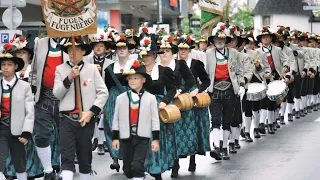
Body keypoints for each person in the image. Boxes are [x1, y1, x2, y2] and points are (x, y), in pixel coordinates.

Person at [53, 36, 108, 180]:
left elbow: (103, 93)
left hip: (86, 119)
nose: (72, 53)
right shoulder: (60, 69)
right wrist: (69, 77)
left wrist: (91, 112)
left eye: (76, 50)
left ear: (83, 52)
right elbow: (57, 93)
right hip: (66, 119)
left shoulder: (92, 69)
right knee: (67, 156)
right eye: (69, 50)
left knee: (85, 156)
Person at [29, 34, 68, 179]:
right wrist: (32, 92)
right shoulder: (41, 43)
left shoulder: (73, 43)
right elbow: (34, 70)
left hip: (66, 97)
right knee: (41, 134)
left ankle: (65, 169)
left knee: (66, 135)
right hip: (43, 96)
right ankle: (48, 171)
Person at [112, 62, 160, 180]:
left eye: (136, 78)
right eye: (130, 78)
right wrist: (115, 138)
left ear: (143, 80)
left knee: (137, 165)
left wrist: (156, 139)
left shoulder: (150, 98)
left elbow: (155, 119)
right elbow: (116, 119)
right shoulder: (121, 98)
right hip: (126, 137)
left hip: (142, 138)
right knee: (128, 169)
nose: (132, 81)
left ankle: (139, 176)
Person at [158, 35, 197, 178]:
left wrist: (181, 91)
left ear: (173, 53)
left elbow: (191, 80)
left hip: (180, 101)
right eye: (161, 51)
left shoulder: (180, 65)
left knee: (183, 132)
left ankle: (191, 158)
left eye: (167, 51)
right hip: (164, 100)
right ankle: (173, 163)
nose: (164, 54)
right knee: (169, 133)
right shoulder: (157, 68)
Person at [5, 36, 43, 180]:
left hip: (30, 108)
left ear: (29, 55)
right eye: (18, 54)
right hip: (12, 111)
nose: (20, 56)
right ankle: (11, 170)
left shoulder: (34, 71)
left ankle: (31, 170)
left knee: (29, 140)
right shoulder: (10, 72)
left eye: (23, 53)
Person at [206, 22, 245, 160]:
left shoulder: (234, 53)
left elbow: (240, 71)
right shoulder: (208, 53)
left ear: (226, 40)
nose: (220, 41)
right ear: (214, 41)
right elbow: (205, 72)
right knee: (215, 120)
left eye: (222, 39)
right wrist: (204, 86)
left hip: (230, 89)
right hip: (214, 89)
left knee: (227, 121)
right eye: (217, 39)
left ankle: (225, 147)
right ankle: (216, 146)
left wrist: (241, 85)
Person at [140, 34, 176, 180]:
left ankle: (157, 169)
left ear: (155, 56)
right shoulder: (138, 71)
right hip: (142, 106)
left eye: (149, 55)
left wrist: (165, 101)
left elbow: (172, 89)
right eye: (144, 55)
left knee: (158, 138)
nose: (146, 58)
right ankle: (146, 167)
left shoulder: (164, 70)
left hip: (159, 107)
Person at [0, 43, 34, 180]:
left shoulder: (24, 86)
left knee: (20, 164)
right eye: (3, 65)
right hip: (1, 129)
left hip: (18, 131)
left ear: (15, 67)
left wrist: (26, 132)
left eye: (9, 64)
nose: (6, 68)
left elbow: (30, 112)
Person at [177, 35, 211, 171]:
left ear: (189, 50)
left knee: (194, 128)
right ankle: (175, 164)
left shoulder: (196, 63)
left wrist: (198, 89)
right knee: (177, 128)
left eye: (185, 49)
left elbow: (206, 81)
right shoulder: (174, 64)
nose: (183, 51)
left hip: (193, 96)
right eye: (180, 49)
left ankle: (192, 159)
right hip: (179, 96)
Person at [103, 35, 136, 172]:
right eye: (119, 48)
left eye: (124, 48)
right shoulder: (109, 68)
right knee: (112, 127)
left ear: (129, 50)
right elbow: (105, 87)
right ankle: (115, 158)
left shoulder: (136, 65)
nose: (121, 50)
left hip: (131, 97)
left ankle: (130, 157)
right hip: (113, 99)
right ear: (115, 51)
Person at [256, 26, 290, 134]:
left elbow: (286, 60)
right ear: (260, 40)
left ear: (271, 39)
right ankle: (262, 122)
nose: (265, 39)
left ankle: (271, 123)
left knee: (273, 101)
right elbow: (256, 66)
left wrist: (285, 66)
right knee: (264, 100)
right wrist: (262, 72)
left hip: (276, 77)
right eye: (263, 37)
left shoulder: (277, 49)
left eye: (267, 37)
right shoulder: (257, 52)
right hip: (263, 78)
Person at [87, 33, 114, 155]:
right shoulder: (86, 60)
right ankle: (93, 139)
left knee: (103, 117)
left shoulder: (110, 63)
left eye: (101, 46)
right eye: (96, 46)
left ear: (105, 49)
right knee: (91, 117)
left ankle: (101, 143)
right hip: (89, 92)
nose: (98, 48)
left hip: (105, 93)